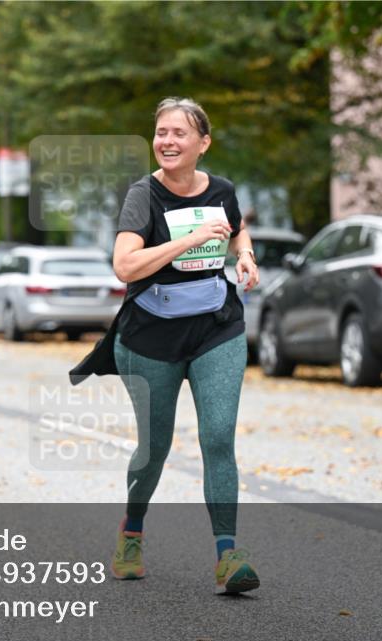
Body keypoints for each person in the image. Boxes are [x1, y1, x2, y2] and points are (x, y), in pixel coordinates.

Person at [71, 97, 261, 594]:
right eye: (161, 132)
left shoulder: (221, 190)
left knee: (218, 437)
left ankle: (228, 555)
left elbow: (237, 230)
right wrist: (191, 237)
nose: (168, 141)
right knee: (153, 448)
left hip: (216, 327)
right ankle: (131, 532)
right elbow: (125, 266)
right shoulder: (143, 195)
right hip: (151, 335)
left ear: (203, 143)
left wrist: (245, 256)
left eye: (179, 133)